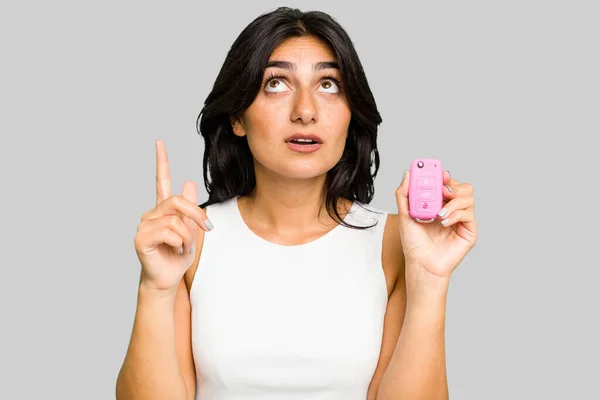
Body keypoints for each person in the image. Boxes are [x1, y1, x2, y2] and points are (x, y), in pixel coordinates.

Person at [115, 6, 477, 400]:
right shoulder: (191, 240)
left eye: (328, 85)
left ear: (351, 113)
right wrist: (155, 288)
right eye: (276, 83)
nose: (305, 111)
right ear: (237, 116)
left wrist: (430, 281)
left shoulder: (399, 243)